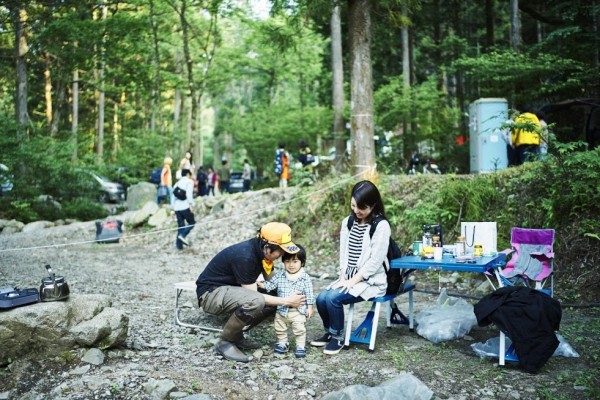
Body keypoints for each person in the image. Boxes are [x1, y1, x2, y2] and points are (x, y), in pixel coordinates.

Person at [195, 222, 306, 362]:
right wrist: (287, 301)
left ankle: (236, 334)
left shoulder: (262, 253)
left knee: (274, 297)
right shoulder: (245, 256)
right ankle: (225, 342)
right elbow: (255, 297)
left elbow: (274, 284)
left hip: (231, 288)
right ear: (267, 248)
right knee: (256, 301)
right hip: (210, 294)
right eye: (281, 251)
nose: (283, 255)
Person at [310, 180, 390, 355]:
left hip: (370, 281)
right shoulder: (348, 222)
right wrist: (342, 276)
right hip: (348, 278)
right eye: (354, 206)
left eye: (362, 208)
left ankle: (338, 338)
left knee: (332, 299)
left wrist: (353, 281)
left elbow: (375, 262)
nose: (357, 211)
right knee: (321, 298)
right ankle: (330, 333)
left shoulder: (381, 226)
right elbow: (343, 252)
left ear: (373, 205)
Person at [262, 244, 314, 358]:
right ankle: (283, 343)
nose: (291, 265)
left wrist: (310, 307)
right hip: (282, 309)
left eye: (295, 261)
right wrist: (260, 284)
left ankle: (300, 346)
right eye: (287, 261)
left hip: (298, 310)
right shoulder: (280, 275)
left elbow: (309, 293)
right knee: (280, 327)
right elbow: (270, 285)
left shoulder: (305, 277)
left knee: (299, 329)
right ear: (283, 262)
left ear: (302, 262)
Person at [172, 169, 195, 250]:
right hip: (185, 206)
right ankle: (183, 235)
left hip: (177, 207)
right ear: (188, 174)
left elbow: (173, 197)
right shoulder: (189, 182)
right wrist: (191, 205)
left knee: (180, 226)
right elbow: (189, 194)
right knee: (192, 222)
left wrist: (173, 209)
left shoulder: (177, 183)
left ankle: (179, 246)